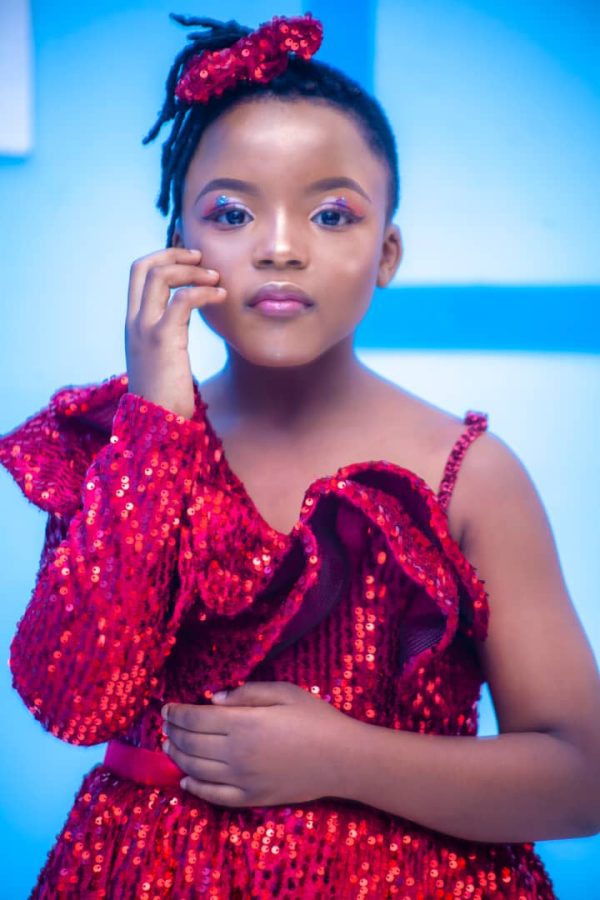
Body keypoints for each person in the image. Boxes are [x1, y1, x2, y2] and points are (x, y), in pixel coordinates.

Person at [1, 12, 599, 899]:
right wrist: (155, 425)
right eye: (232, 213)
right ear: (178, 246)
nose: (280, 248)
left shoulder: (468, 475)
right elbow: (74, 699)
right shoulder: (119, 455)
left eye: (331, 214)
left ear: (386, 253)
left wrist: (344, 758)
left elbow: (582, 776)